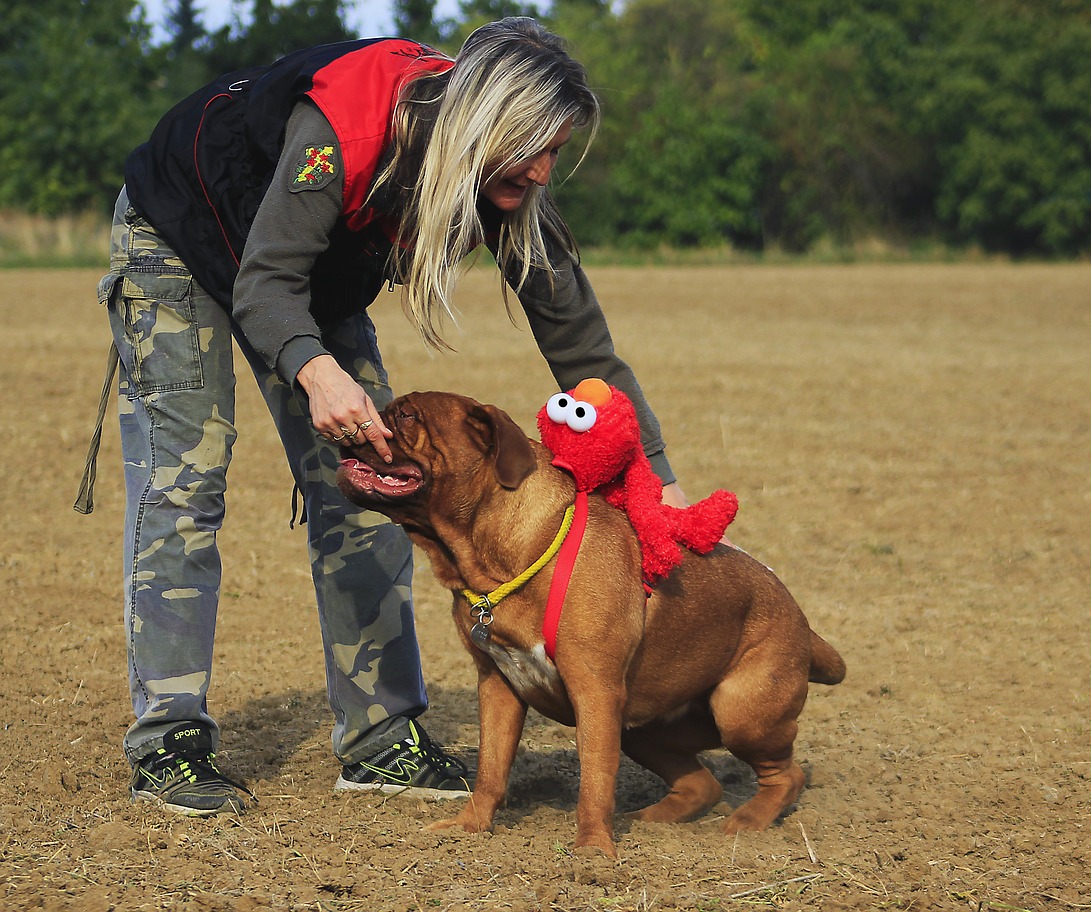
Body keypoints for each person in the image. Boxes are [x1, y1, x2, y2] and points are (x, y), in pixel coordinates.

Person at [84, 18, 698, 816]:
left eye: (556, 152)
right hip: (182, 234)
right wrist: (316, 373)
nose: (545, 172)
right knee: (186, 487)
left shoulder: (510, 189)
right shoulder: (349, 127)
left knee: (385, 484)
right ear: (484, 122)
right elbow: (267, 286)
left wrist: (662, 484)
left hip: (315, 276)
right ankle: (168, 744)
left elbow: (583, 352)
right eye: (533, 148)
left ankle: (381, 740)